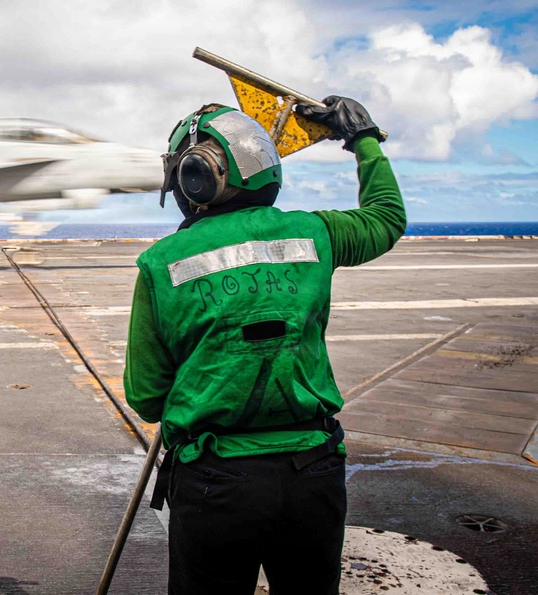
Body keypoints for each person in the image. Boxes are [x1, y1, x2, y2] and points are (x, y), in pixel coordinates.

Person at [123, 97, 405, 594]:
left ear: (193, 178)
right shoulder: (316, 233)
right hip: (314, 472)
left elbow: (147, 397)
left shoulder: (161, 263)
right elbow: (385, 217)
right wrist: (363, 139)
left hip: (215, 481)